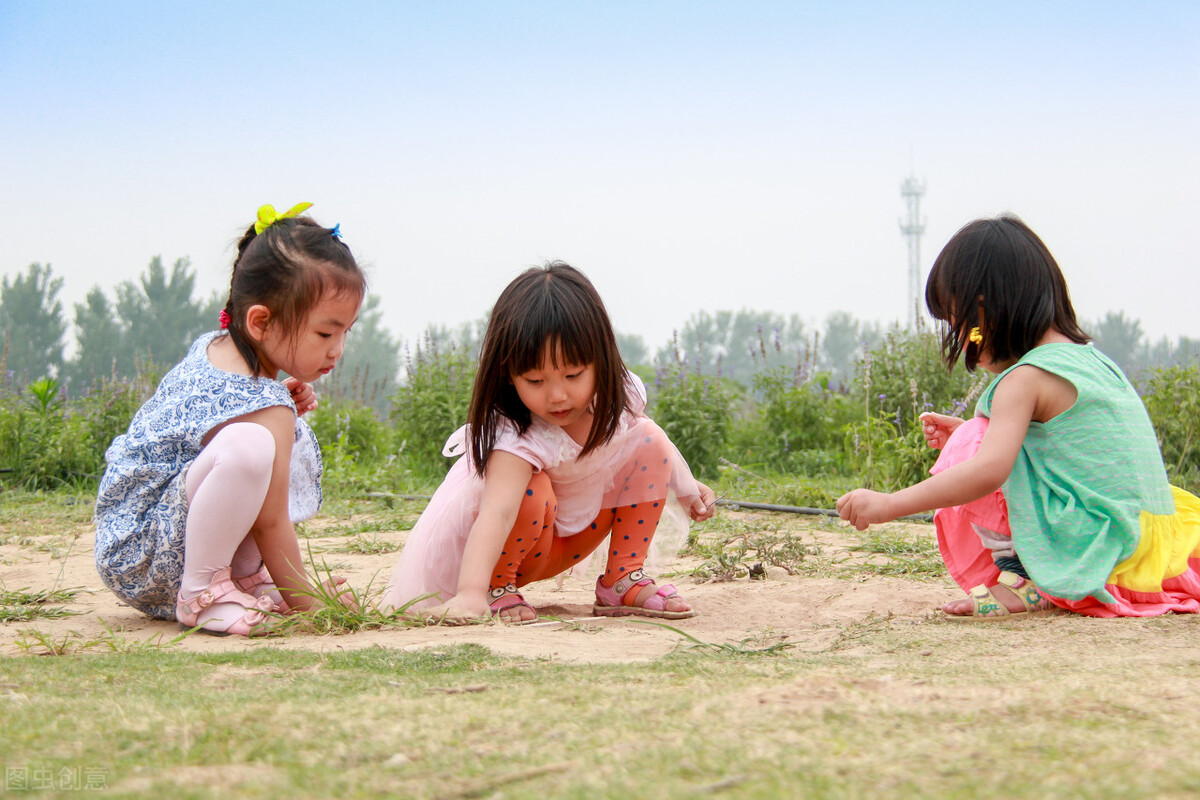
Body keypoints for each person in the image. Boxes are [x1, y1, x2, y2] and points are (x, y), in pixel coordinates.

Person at [837, 215, 1200, 619]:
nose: (965, 341)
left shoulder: (1024, 378)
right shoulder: (1089, 360)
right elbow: (1074, 452)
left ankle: (1023, 580)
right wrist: (978, 432)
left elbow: (989, 470)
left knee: (969, 447)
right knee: (975, 435)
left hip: (1099, 558)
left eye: (963, 328)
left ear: (984, 310)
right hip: (1149, 549)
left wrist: (889, 504)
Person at [382, 261, 716, 624]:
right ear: (508, 375)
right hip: (510, 554)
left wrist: (684, 485)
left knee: (649, 437)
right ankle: (496, 590)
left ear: (600, 359)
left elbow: (648, 442)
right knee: (530, 485)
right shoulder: (515, 433)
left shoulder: (619, 394)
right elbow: (497, 512)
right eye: (535, 381)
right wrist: (470, 594)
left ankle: (623, 579)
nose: (557, 396)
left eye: (573, 375)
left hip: (573, 538)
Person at [94, 203, 365, 636]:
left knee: (258, 442)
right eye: (325, 333)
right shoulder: (266, 407)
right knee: (250, 446)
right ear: (260, 321)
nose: (337, 349)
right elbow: (271, 520)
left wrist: (281, 407)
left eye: (347, 331)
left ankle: (243, 583)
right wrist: (310, 605)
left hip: (135, 546)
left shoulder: (215, 348)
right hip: (146, 557)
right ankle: (204, 593)